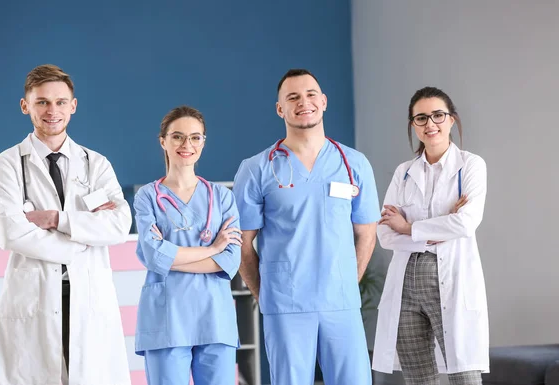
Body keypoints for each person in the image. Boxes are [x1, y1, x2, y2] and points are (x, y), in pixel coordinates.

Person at [233, 69, 380, 385]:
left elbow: (367, 232)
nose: (304, 102)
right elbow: (242, 243)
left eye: (311, 94)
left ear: (323, 101)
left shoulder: (354, 164)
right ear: (280, 109)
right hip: (286, 305)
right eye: (293, 97)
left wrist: (347, 282)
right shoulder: (256, 169)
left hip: (341, 303)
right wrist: (266, 294)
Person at [0, 64, 132, 385]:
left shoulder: (96, 164)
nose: (52, 110)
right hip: (34, 299)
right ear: (26, 106)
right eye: (42, 102)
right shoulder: (8, 165)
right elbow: (13, 233)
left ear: (73, 106)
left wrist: (58, 220)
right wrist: (83, 236)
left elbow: (119, 224)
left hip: (88, 300)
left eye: (60, 102)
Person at [372, 86, 489, 385]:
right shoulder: (404, 172)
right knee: (418, 378)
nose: (430, 124)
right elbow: (385, 234)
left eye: (438, 115)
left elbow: (465, 223)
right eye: (421, 118)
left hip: (449, 280)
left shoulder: (471, 165)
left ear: (452, 120)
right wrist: (438, 227)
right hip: (406, 287)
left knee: (464, 375)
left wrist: (409, 227)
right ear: (413, 125)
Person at [133, 106, 241, 385]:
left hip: (214, 318)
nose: (187, 145)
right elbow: (153, 256)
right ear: (163, 141)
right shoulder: (148, 197)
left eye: (195, 137)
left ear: (203, 142)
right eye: (178, 136)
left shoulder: (222, 197)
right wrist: (212, 249)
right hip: (166, 319)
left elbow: (230, 260)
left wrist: (173, 255)